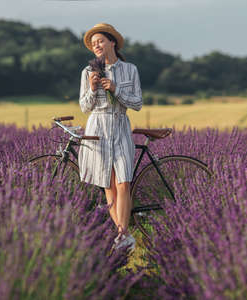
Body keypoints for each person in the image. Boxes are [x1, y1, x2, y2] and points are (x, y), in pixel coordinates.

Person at [78, 23, 142, 251]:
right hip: (98, 127)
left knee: (124, 182)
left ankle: (122, 235)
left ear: (112, 42)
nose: (96, 46)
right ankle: (123, 238)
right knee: (108, 184)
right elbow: (85, 108)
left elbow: (137, 103)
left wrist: (116, 89)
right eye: (93, 44)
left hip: (121, 126)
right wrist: (93, 88)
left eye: (100, 41)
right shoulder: (87, 73)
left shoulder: (130, 69)